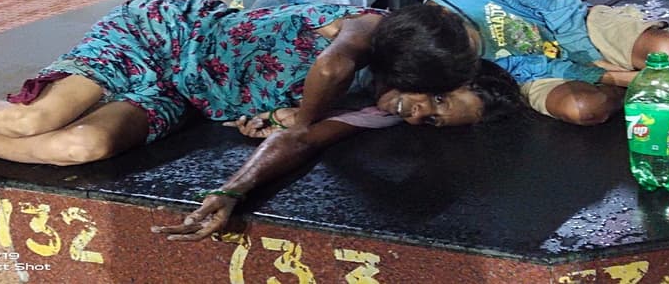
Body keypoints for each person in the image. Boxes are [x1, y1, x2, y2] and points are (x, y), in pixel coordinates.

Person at [0, 0, 480, 165]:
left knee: (78, 147)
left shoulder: (376, 96)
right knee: (35, 120)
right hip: (159, 36)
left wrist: (275, 119)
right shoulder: (367, 28)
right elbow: (330, 68)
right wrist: (300, 126)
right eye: (427, 94)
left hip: (181, 94)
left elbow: (288, 105)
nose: (419, 109)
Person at [151, 58, 525, 241]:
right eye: (438, 98)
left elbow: (302, 139)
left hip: (176, 86)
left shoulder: (379, 115)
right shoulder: (378, 39)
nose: (418, 113)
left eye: (431, 121)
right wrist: (301, 116)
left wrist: (231, 191)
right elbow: (331, 67)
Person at [374, 0, 669, 126]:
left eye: (471, 44)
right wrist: (606, 77)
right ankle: (636, 91)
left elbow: (559, 5)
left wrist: (588, 57)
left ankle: (643, 81)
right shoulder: (445, 67)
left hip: (578, 28)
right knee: (584, 109)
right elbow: (528, 68)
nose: (477, 52)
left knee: (665, 49)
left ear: (446, 16)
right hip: (539, 71)